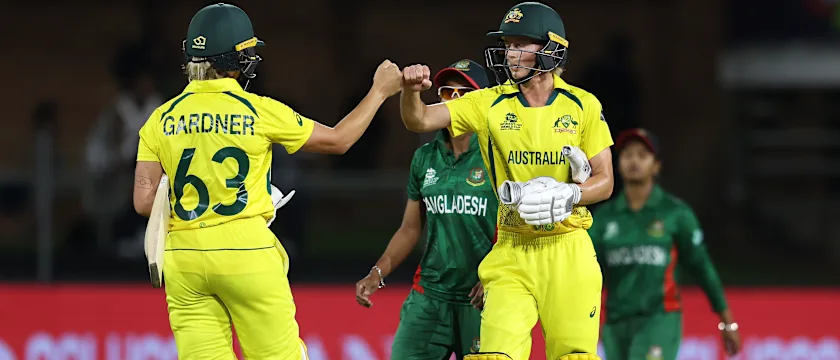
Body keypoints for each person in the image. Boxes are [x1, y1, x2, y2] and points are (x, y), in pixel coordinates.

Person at [131, 3, 402, 359]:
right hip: (247, 252)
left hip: (184, 258)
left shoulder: (159, 119)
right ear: (235, 59)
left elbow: (143, 201)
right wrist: (379, 91)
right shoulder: (258, 110)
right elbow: (340, 140)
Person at [399, 2, 614, 360]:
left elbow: (605, 181)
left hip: (568, 247)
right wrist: (410, 91)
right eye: (508, 44)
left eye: (520, 44)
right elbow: (419, 120)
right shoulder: (488, 103)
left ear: (550, 48)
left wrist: (570, 194)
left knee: (574, 355)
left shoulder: (583, 105)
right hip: (512, 249)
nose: (509, 54)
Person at [355, 60, 497, 360]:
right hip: (430, 295)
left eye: (465, 93)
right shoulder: (425, 157)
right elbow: (410, 228)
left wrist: (497, 276)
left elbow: (516, 228)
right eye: (448, 92)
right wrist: (377, 272)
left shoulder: (496, 155)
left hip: (483, 297)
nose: (455, 100)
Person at [588, 129, 742, 360]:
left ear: (656, 165)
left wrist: (727, 321)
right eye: (627, 155)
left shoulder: (675, 214)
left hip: (659, 319)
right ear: (617, 164)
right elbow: (584, 271)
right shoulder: (605, 218)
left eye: (642, 155)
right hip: (616, 323)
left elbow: (702, 267)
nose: (634, 161)